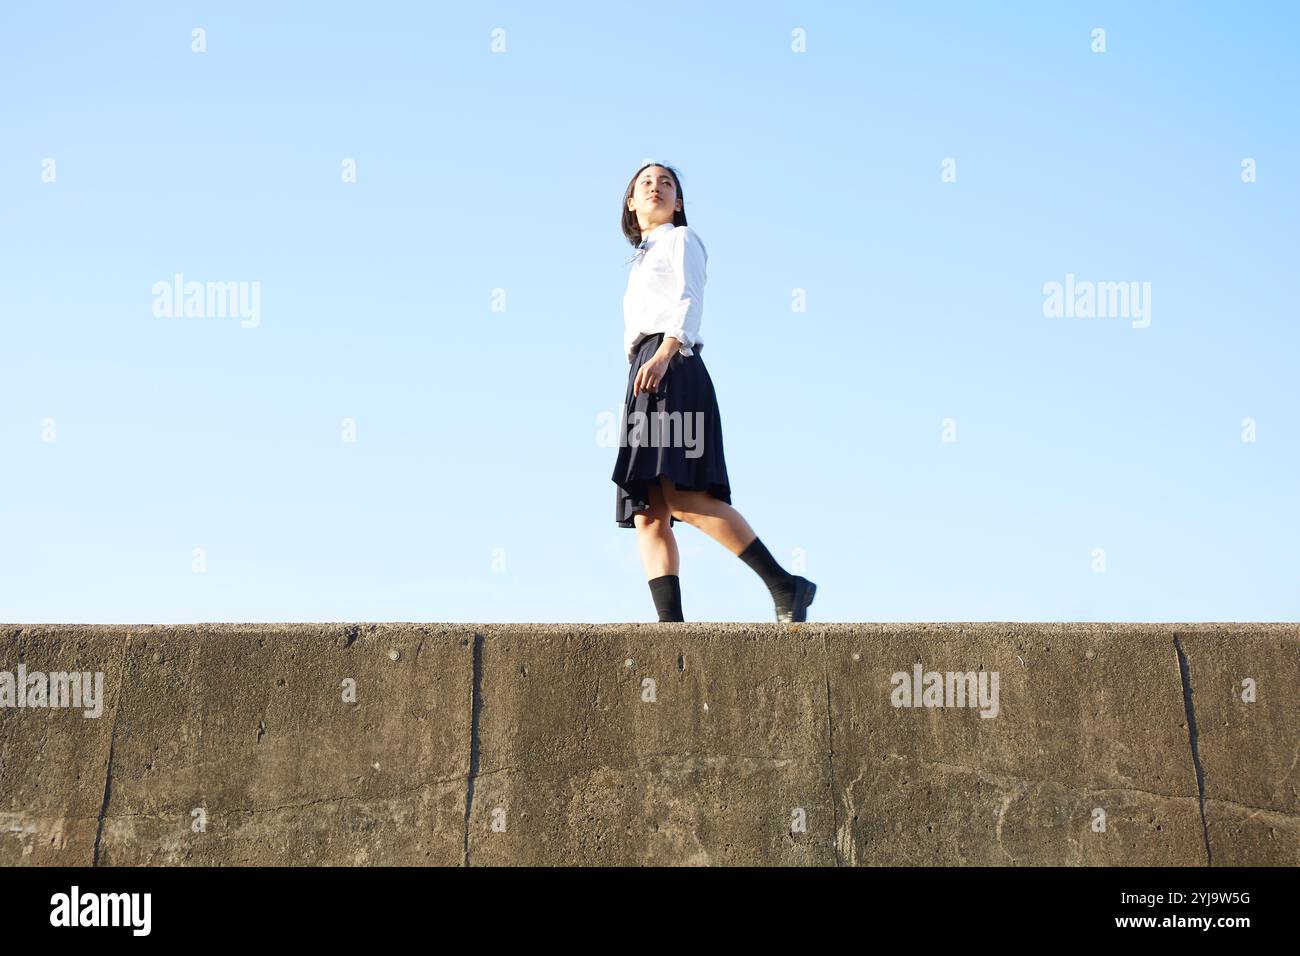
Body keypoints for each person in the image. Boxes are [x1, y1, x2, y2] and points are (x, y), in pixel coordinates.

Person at [610, 161, 817, 623]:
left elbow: (689, 298)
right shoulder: (641, 259)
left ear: (678, 202)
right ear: (631, 201)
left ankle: (785, 585)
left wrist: (665, 352)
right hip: (645, 372)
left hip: (672, 364)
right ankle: (672, 633)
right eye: (646, 183)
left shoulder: (682, 239)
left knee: (682, 496)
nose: (656, 188)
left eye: (666, 183)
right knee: (648, 513)